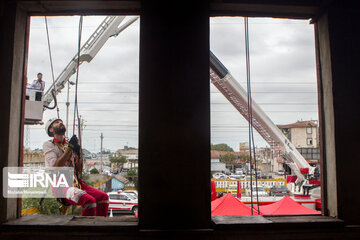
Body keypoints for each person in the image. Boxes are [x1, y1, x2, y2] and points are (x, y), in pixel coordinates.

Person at [42, 118, 109, 216]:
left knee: (103, 197)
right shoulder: (49, 145)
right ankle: (85, 229)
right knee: (88, 201)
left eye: (61, 122)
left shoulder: (68, 144)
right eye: (56, 122)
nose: (60, 123)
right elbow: (54, 167)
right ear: (51, 129)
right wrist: (70, 148)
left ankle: (100, 226)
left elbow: (79, 170)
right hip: (61, 186)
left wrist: (78, 154)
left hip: (75, 183)